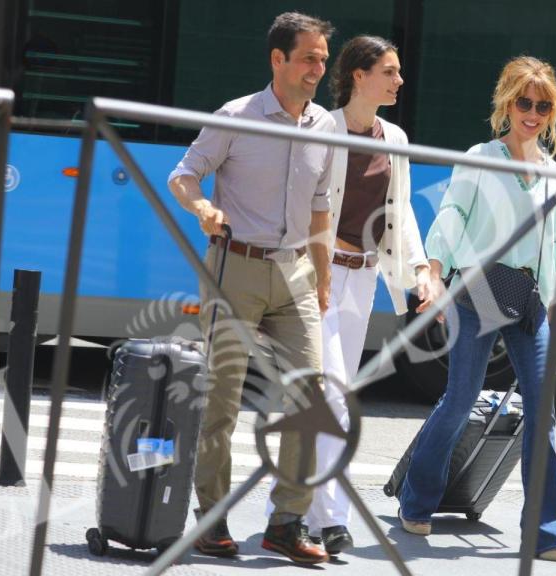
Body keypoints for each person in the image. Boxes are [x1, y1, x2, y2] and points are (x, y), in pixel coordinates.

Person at [167, 12, 336, 565]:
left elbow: (319, 208)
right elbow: (183, 174)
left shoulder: (325, 127)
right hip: (233, 267)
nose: (318, 68)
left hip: (295, 275)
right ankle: (211, 519)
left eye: (323, 59)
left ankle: (286, 522)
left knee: (311, 396)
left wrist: (324, 277)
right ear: (278, 60)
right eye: (309, 57)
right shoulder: (236, 116)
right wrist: (203, 208)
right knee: (221, 399)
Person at [264, 35, 441, 555]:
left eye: (398, 70)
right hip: (316, 275)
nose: (399, 80)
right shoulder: (322, 127)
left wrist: (420, 273)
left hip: (363, 278)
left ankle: (294, 506)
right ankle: (331, 520)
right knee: (333, 397)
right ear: (359, 76)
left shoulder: (396, 137)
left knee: (332, 398)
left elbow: (400, 211)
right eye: (389, 70)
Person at [397, 56, 556, 562]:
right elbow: (452, 215)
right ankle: (418, 498)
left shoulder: (553, 173)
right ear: (507, 103)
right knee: (460, 398)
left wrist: (555, 307)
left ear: (551, 112)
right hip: (477, 291)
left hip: (528, 301)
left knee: (544, 412)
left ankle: (544, 531)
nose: (532, 113)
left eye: (542, 105)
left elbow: (553, 246)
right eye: (524, 102)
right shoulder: (482, 155)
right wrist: (432, 273)